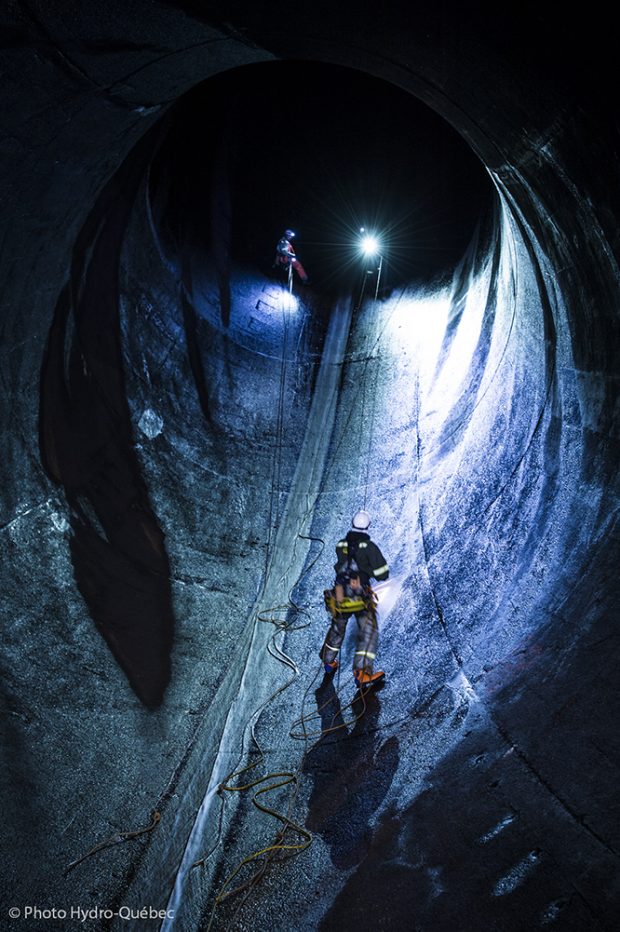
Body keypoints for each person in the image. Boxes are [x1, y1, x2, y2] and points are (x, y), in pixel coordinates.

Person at [320, 510, 389, 688]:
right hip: (360, 599)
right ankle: (362, 672)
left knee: (337, 629)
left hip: (340, 596)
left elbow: (340, 565)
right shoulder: (369, 547)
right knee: (368, 632)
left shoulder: (341, 544)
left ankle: (328, 662)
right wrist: (370, 570)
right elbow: (382, 574)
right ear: (368, 526)